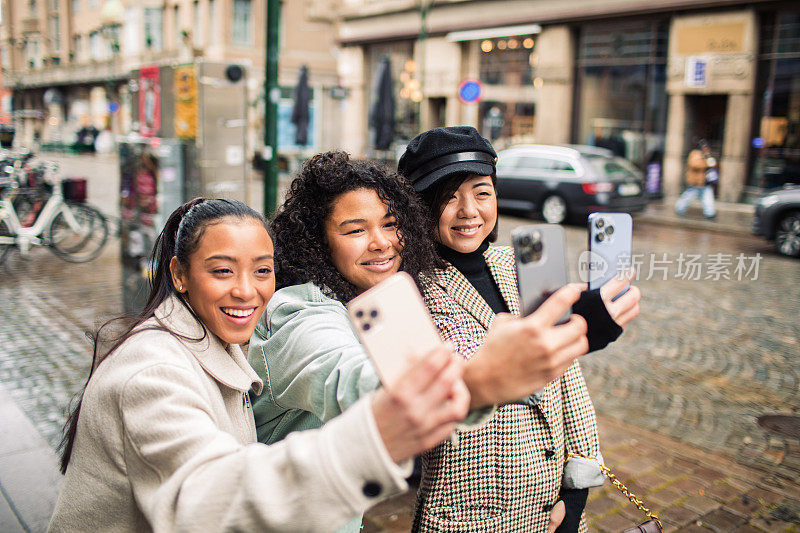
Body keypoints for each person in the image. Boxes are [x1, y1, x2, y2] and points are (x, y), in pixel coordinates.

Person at [49, 197, 471, 532]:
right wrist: (474, 383)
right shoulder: (154, 372)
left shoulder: (217, 342)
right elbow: (209, 502)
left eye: (262, 271)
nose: (246, 291)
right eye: (222, 271)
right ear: (179, 274)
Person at [249, 151, 592, 532]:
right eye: (355, 230)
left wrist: (576, 489)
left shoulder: (375, 302)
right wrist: (477, 381)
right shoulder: (301, 315)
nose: (381, 243)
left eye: (390, 224)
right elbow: (351, 380)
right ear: (317, 241)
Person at [398, 126, 642, 532]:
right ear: (419, 206)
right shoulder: (408, 291)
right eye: (448, 197)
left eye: (481, 192)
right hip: (467, 518)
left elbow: (568, 382)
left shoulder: (523, 261)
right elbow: (431, 401)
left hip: (550, 509)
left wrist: (576, 497)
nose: (468, 210)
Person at [675, 139, 717, 219]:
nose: (706, 149)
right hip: (695, 182)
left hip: (704, 182)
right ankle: (679, 208)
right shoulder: (695, 154)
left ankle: (710, 213)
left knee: (707, 197)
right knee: (688, 196)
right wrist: (706, 163)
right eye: (704, 147)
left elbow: (712, 164)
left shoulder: (706, 155)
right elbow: (695, 165)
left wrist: (709, 160)